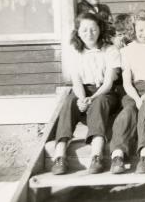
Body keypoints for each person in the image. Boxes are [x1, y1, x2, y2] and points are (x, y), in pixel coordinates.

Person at [51, 13, 120, 175]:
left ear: (100, 30)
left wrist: (91, 99)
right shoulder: (74, 52)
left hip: (106, 93)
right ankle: (60, 154)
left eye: (93, 29)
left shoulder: (110, 50)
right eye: (84, 30)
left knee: (99, 101)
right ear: (78, 32)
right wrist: (82, 99)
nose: (89, 33)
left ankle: (96, 155)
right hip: (83, 91)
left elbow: (108, 83)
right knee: (69, 102)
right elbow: (76, 82)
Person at [109, 10, 145, 174]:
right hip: (133, 90)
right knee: (127, 113)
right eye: (140, 30)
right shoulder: (127, 51)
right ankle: (118, 155)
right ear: (134, 29)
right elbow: (127, 82)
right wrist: (136, 98)